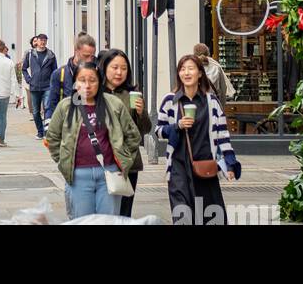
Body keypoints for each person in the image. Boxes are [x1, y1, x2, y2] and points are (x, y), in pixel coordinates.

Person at [45, 61, 141, 218]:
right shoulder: (65, 106)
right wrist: (63, 160)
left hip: (109, 173)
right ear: (75, 83)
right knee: (82, 220)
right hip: (78, 176)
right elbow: (52, 138)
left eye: (92, 80)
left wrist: (124, 160)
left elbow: (133, 135)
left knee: (108, 220)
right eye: (82, 80)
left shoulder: (113, 103)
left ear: (99, 82)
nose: (87, 85)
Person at [154, 54, 241, 225]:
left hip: (205, 166)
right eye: (182, 69)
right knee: (183, 216)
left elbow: (223, 135)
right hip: (178, 166)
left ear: (200, 73)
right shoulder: (170, 101)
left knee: (210, 217)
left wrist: (230, 164)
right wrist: (177, 125)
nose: (186, 73)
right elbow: (158, 131)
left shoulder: (212, 102)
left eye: (191, 68)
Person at [99, 49, 148, 216]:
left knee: (124, 213)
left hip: (128, 163)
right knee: (102, 213)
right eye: (114, 67)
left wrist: (141, 114)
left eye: (124, 68)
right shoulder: (95, 93)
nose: (119, 72)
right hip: (101, 162)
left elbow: (144, 129)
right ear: (104, 68)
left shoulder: (131, 94)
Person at [44, 33, 98, 123]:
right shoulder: (59, 74)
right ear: (76, 51)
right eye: (86, 56)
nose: (89, 60)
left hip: (92, 128)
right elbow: (51, 105)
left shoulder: (98, 73)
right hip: (67, 128)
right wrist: (49, 129)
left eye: (92, 56)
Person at [22, 34, 58, 139]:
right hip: (34, 87)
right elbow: (24, 68)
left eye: (44, 40)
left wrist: (53, 83)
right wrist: (29, 80)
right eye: (41, 40)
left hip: (47, 87)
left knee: (47, 108)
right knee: (36, 112)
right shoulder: (30, 54)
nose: (42, 42)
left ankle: (47, 131)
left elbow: (55, 71)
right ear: (36, 41)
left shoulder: (51, 55)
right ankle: (40, 131)